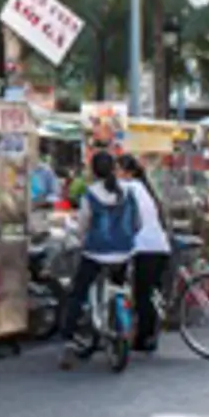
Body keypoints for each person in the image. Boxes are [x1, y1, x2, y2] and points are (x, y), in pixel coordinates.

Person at [59, 150, 140, 367]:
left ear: (93, 171)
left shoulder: (90, 194)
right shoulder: (127, 192)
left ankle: (67, 341)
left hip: (96, 253)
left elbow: (83, 225)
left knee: (77, 293)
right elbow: (137, 223)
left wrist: (78, 235)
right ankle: (118, 320)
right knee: (120, 286)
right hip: (124, 253)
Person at [118, 155, 171, 352]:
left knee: (142, 294)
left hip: (144, 247)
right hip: (159, 246)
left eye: (118, 170)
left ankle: (144, 339)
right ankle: (150, 335)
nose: (115, 174)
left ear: (128, 173)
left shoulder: (128, 187)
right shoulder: (143, 188)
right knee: (149, 293)